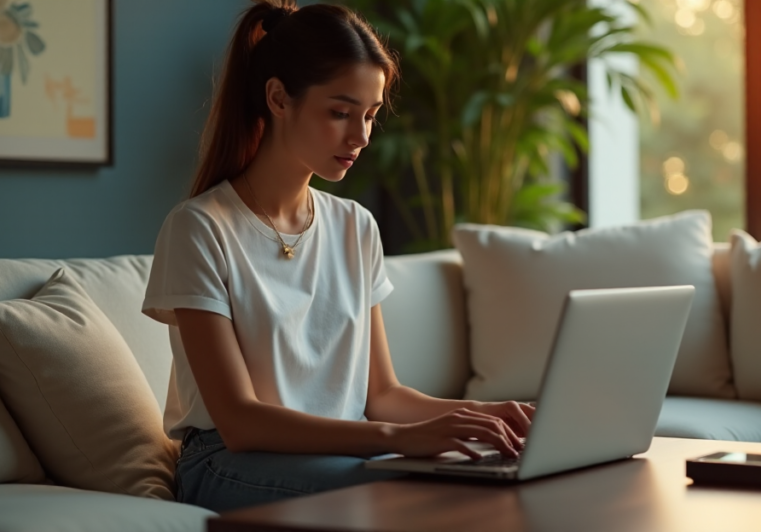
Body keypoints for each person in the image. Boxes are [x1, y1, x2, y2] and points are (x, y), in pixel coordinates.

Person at [141, 0, 532, 513]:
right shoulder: (199, 229)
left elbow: (383, 395)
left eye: (370, 115)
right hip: (227, 462)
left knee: (488, 479)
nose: (361, 136)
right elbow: (239, 421)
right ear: (278, 98)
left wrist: (488, 414)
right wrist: (395, 437)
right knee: (411, 494)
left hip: (338, 452)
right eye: (340, 112)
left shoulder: (355, 226)